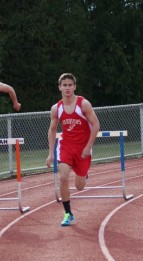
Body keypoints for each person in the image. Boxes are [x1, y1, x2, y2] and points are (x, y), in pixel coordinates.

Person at [46, 73, 100, 226]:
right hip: (66, 146)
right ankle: (68, 213)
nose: (67, 88)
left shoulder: (84, 104)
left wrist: (88, 147)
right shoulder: (56, 108)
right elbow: (52, 130)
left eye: (70, 85)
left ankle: (84, 174)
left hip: (83, 148)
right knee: (63, 177)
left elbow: (96, 125)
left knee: (79, 186)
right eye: (64, 85)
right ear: (60, 87)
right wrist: (50, 153)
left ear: (74, 87)